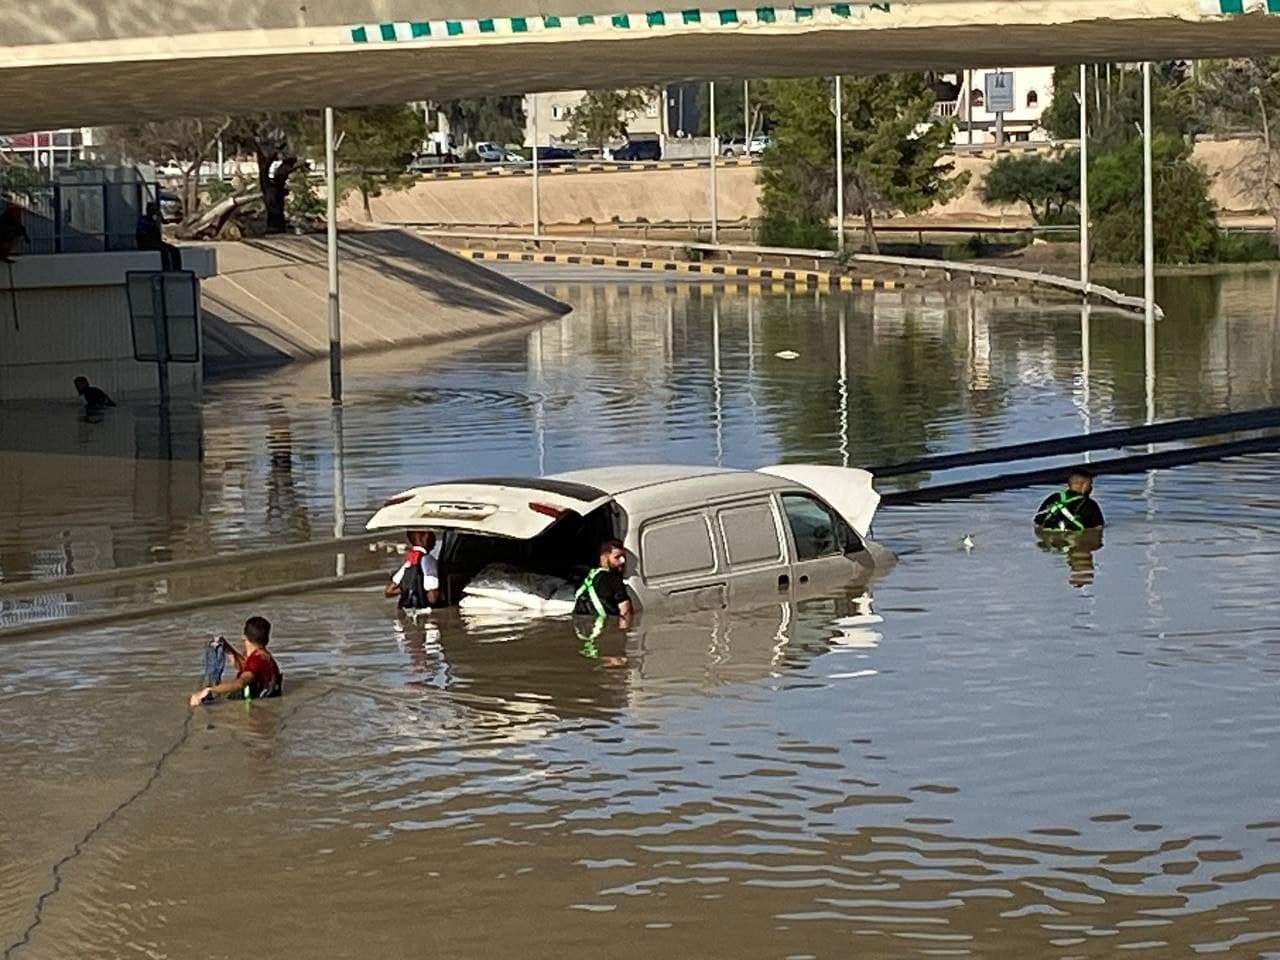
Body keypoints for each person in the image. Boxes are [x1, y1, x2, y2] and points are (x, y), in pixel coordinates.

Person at [189, 616, 283, 706]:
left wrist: (209, 690)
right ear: (267, 640)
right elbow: (246, 667)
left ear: (243, 637)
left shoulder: (257, 661)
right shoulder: (262, 656)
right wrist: (227, 648)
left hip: (255, 707)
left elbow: (240, 683)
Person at [574, 539, 633, 626]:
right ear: (604, 558)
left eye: (623, 557)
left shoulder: (588, 578)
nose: (622, 560)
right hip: (609, 629)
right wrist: (625, 629)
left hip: (585, 629)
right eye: (617, 557)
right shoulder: (614, 579)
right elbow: (625, 611)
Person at [1034, 468, 1105, 532]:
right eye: (1090, 484)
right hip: (1075, 537)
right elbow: (1099, 527)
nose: (1091, 488)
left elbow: (1037, 522)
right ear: (1084, 485)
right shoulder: (1091, 504)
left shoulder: (1053, 497)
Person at [386, 530, 440, 611]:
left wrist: (408, 587)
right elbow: (433, 598)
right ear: (423, 538)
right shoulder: (428, 560)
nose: (434, 539)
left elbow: (389, 591)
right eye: (430, 534)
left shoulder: (409, 561)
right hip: (424, 611)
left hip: (407, 609)